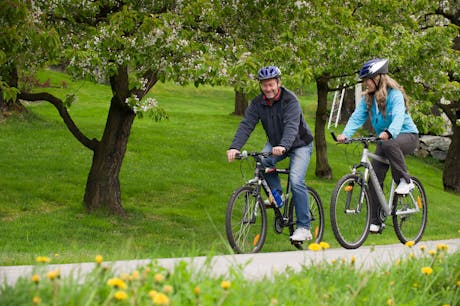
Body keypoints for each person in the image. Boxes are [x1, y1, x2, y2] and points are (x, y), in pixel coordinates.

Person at [226, 65, 314, 242]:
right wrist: (235, 147)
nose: (268, 88)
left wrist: (283, 145)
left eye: (271, 84)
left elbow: (291, 126)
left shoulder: (291, 100)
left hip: (299, 144)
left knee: (296, 180)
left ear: (279, 83)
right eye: (265, 85)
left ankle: (304, 227)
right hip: (276, 144)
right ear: (260, 86)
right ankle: (277, 194)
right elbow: (246, 124)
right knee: (263, 162)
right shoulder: (258, 102)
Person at [336, 58, 419, 233]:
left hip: (406, 136)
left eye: (368, 79)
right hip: (386, 139)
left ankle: (405, 180)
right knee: (374, 178)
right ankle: (376, 221)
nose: (366, 83)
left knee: (388, 145)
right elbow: (357, 117)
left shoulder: (394, 95)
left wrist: (389, 132)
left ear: (379, 78)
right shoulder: (368, 99)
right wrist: (346, 134)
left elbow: (397, 117)